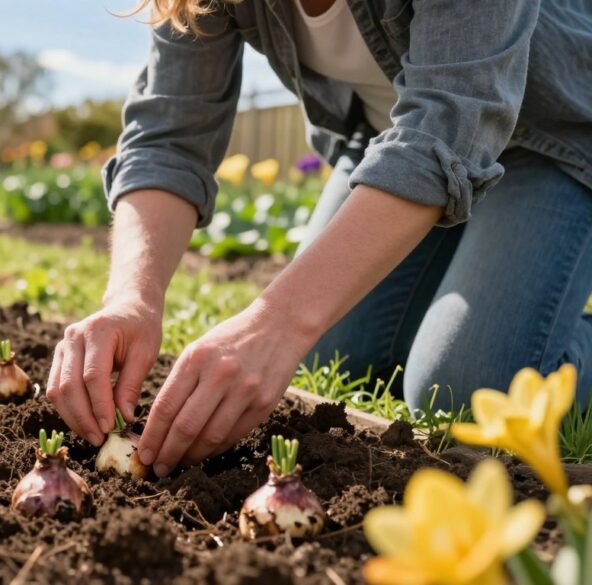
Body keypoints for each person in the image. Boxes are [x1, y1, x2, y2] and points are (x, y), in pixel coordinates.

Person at [46, 0, 592, 478]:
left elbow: (455, 114)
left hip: (551, 142)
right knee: (327, 355)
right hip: (392, 151)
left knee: (468, 393)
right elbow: (168, 137)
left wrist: (276, 322)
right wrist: (131, 299)